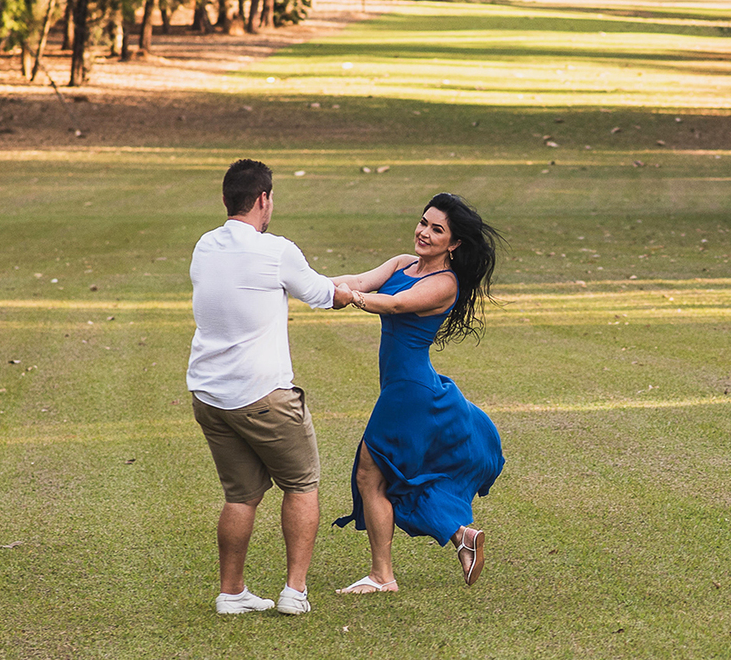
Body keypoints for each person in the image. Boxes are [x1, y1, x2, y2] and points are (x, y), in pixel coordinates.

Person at [188, 159, 352, 616]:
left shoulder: (204, 246)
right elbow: (328, 296)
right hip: (264, 398)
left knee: (240, 495)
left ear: (226, 200)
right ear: (264, 199)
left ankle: (232, 593)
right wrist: (379, 280)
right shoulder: (275, 250)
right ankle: (293, 592)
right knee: (301, 484)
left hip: (209, 396)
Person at [331, 192, 505, 594]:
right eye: (424, 222)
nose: (424, 232)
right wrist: (307, 284)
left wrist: (353, 299)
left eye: (437, 229)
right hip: (401, 386)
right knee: (393, 477)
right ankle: (461, 536)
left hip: (409, 392)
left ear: (454, 243)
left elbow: (394, 304)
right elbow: (357, 280)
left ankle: (382, 576)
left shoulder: (444, 284)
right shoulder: (402, 263)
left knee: (369, 473)